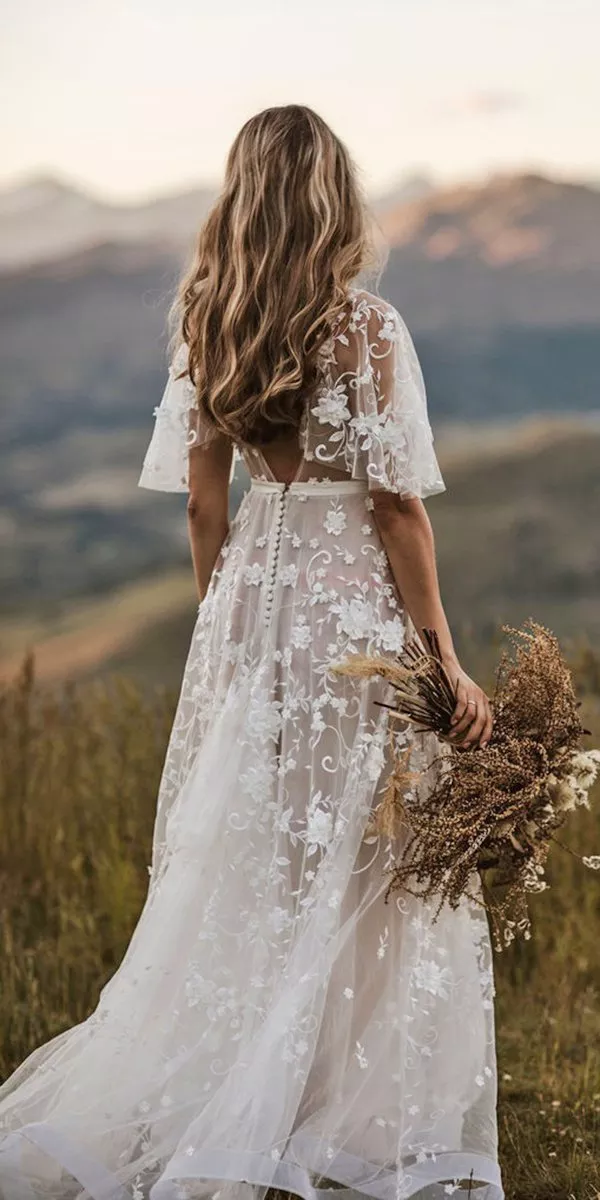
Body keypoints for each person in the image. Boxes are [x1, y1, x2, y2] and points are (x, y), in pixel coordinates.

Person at [0, 105, 502, 1200]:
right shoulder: (365, 327)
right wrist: (443, 661)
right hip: (350, 622)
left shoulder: (205, 318)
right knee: (372, 861)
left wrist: (231, 630)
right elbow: (398, 509)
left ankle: (265, 1093)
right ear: (334, 195)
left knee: (270, 863)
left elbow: (201, 506)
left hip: (252, 617)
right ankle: (336, 1113)